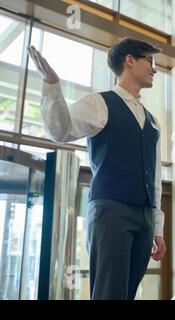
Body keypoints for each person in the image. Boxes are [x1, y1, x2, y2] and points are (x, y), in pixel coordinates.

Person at [27, 38, 166, 300]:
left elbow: (155, 176)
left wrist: (157, 228)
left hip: (145, 216)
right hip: (111, 212)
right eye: (150, 60)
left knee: (128, 293)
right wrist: (53, 86)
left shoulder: (153, 121)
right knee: (109, 294)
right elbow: (61, 129)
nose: (154, 68)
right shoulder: (100, 103)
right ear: (130, 60)